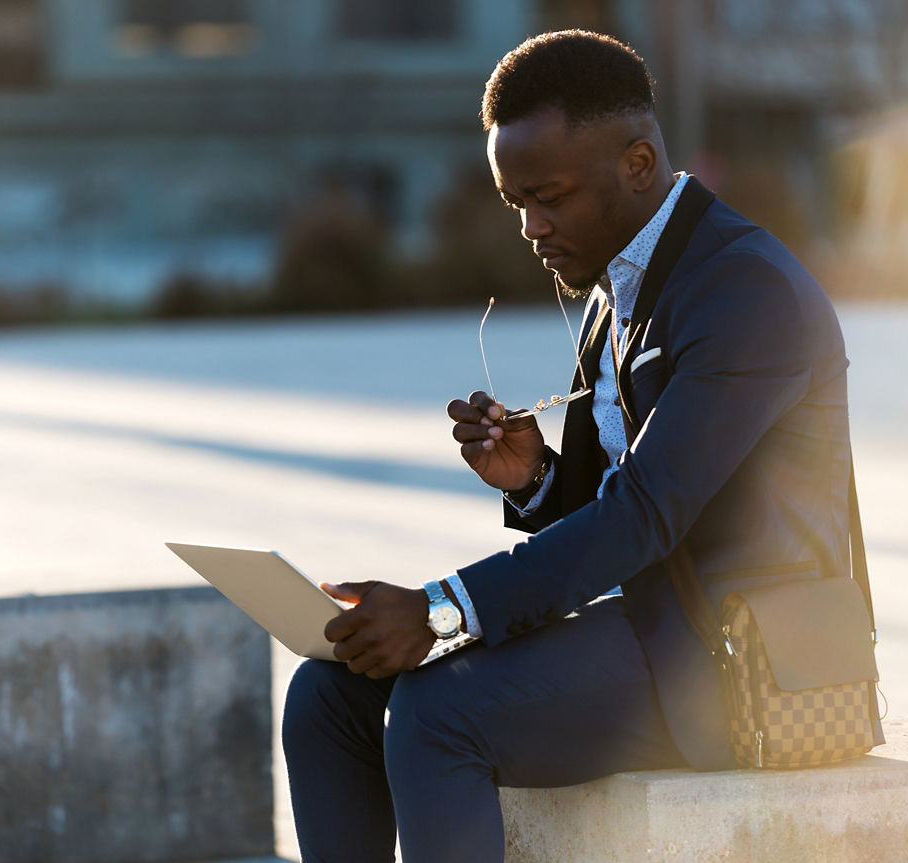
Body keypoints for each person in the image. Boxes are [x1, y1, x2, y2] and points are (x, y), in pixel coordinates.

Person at [281, 30, 881, 863]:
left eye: (549, 195)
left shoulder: (746, 289)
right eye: (515, 201)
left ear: (638, 164)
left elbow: (645, 514)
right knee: (326, 693)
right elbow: (611, 510)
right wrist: (534, 478)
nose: (531, 225)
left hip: (739, 661)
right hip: (655, 628)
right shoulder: (616, 292)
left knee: (437, 712)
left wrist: (441, 608)